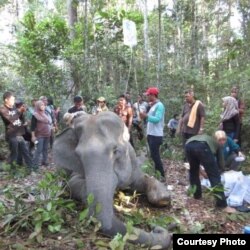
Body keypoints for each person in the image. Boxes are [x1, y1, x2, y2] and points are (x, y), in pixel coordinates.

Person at [185, 132, 236, 213]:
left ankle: (197, 196)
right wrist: (220, 172)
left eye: (224, 140)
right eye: (221, 140)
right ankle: (222, 205)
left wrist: (203, 173)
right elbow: (221, 163)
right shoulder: (216, 144)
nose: (222, 142)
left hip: (188, 145)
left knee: (193, 172)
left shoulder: (208, 138)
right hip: (202, 146)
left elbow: (195, 167)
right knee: (214, 176)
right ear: (216, 139)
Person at [0, 91, 33, 170]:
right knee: (14, 154)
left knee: (25, 151)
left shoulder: (14, 107)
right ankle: (13, 170)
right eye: (12, 99)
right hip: (11, 135)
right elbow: (11, 119)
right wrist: (19, 111)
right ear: (6, 100)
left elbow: (18, 119)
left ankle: (31, 168)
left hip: (19, 133)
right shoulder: (2, 109)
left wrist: (22, 112)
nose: (13, 101)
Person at [140, 87, 165, 181]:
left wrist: (146, 116)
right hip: (151, 134)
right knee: (153, 156)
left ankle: (162, 176)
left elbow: (157, 119)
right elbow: (150, 120)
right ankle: (157, 174)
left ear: (153, 95)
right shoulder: (153, 105)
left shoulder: (160, 106)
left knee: (156, 156)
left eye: (148, 95)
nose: (147, 97)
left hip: (156, 135)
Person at [31, 100, 51, 170]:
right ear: (37, 106)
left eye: (43, 105)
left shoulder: (46, 113)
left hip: (47, 134)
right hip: (39, 135)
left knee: (45, 149)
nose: (43, 106)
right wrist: (33, 136)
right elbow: (32, 127)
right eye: (41, 105)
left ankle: (44, 161)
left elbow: (49, 122)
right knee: (38, 150)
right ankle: (34, 165)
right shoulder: (35, 115)